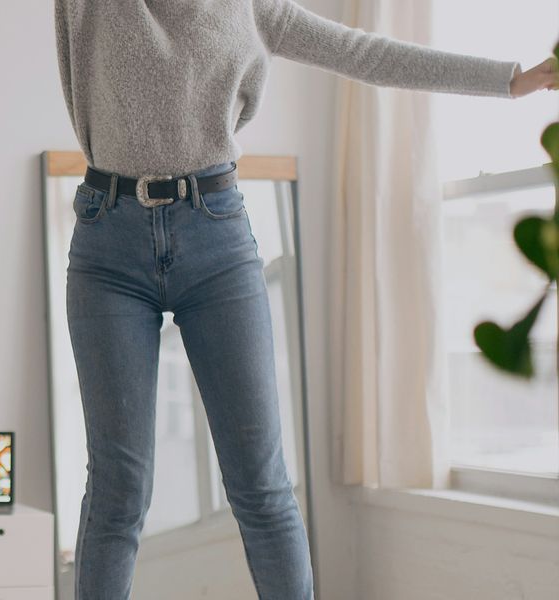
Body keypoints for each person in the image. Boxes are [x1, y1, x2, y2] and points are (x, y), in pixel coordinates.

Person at [52, 1, 557, 599]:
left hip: (215, 240)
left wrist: (511, 80)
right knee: (118, 488)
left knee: (261, 485)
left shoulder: (251, 7)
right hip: (109, 244)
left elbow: (367, 53)